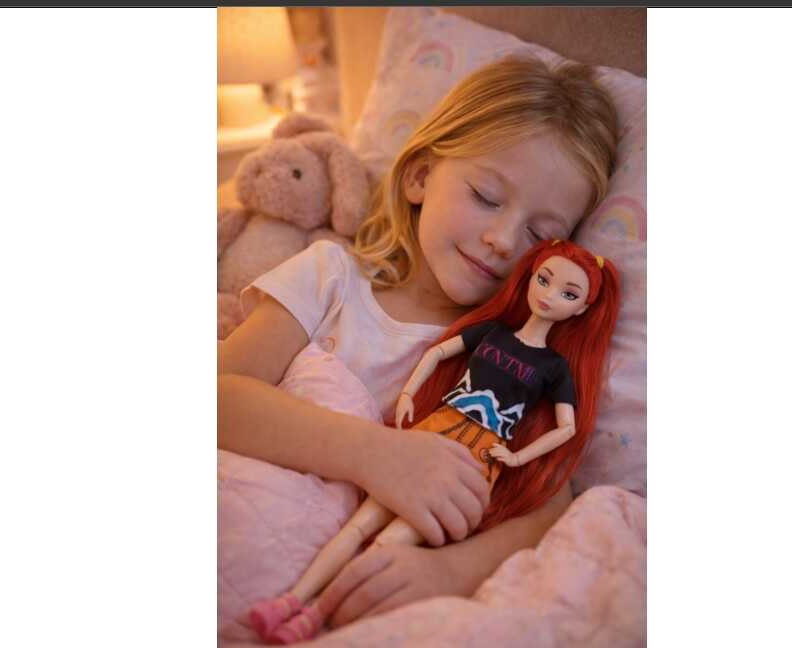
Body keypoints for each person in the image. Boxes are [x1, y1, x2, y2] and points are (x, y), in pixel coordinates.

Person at [217, 55, 619, 642]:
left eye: (540, 234)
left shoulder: (509, 356)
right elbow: (221, 395)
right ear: (420, 177)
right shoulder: (331, 279)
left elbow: (549, 503)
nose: (502, 239)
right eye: (486, 196)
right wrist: (376, 455)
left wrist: (449, 571)